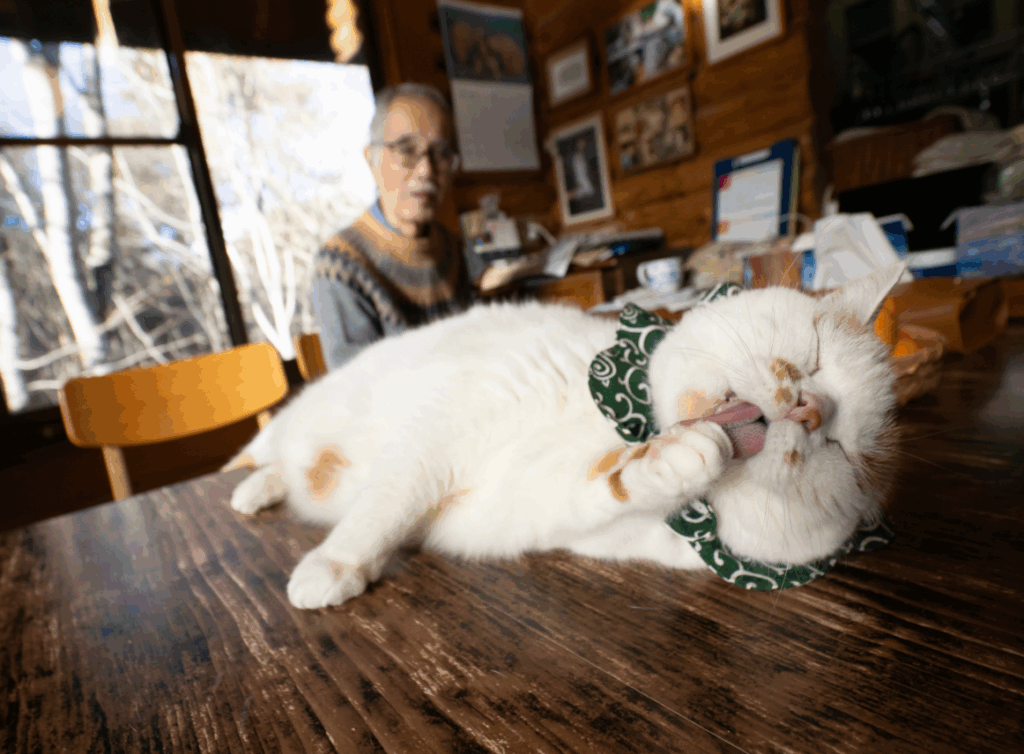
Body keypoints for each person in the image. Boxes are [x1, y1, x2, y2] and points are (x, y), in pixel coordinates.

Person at [311, 83, 474, 371]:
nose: (426, 170)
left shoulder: (452, 247)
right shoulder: (342, 264)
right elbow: (361, 396)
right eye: (407, 149)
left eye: (441, 153)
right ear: (371, 160)